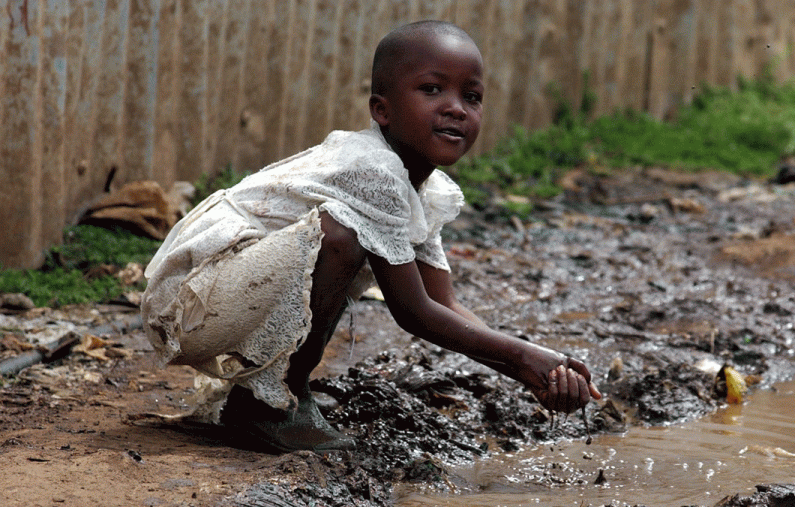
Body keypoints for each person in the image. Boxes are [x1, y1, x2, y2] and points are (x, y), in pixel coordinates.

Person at [141, 20, 602, 453]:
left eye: (473, 96)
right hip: (188, 300)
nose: (456, 108)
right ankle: (267, 405)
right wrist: (523, 357)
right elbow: (414, 313)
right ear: (381, 109)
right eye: (432, 89)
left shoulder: (423, 186)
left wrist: (538, 370)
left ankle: (275, 395)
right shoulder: (373, 170)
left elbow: (444, 305)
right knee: (338, 238)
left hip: (230, 293)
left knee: (346, 239)